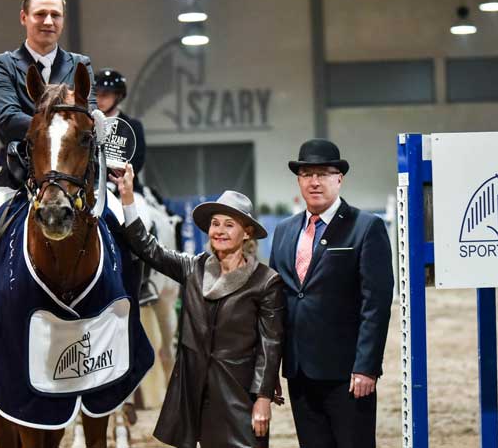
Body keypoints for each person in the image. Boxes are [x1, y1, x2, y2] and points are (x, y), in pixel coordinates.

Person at [0, 0, 96, 367]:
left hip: (73, 176)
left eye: (55, 15)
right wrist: (55, 124)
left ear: (63, 20)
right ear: (24, 18)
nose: (48, 21)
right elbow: (6, 117)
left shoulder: (80, 64)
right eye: (40, 14)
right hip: (19, 174)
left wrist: (72, 127)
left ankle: (129, 310)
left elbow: (91, 114)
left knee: (123, 225)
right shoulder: (4, 65)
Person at [111, 163, 285, 448]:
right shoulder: (193, 268)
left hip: (239, 396)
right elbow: (147, 248)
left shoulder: (266, 281)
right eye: (215, 223)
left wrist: (263, 398)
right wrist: (127, 196)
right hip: (194, 394)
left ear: (247, 233)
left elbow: (270, 345)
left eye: (229, 224)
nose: (219, 231)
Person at [269, 138, 394, 448]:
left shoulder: (366, 227)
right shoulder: (284, 231)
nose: (314, 181)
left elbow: (376, 305)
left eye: (323, 173)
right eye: (307, 174)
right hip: (299, 371)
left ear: (339, 178)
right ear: (299, 180)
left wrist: (366, 366)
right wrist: (270, 369)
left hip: (347, 374)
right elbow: (274, 304)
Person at [95, 68, 147, 192]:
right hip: (92, 186)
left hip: (126, 186)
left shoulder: (133, 126)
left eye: (105, 94)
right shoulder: (87, 125)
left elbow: (137, 160)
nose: (99, 99)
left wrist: (116, 181)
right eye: (96, 94)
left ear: (118, 96)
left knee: (139, 204)